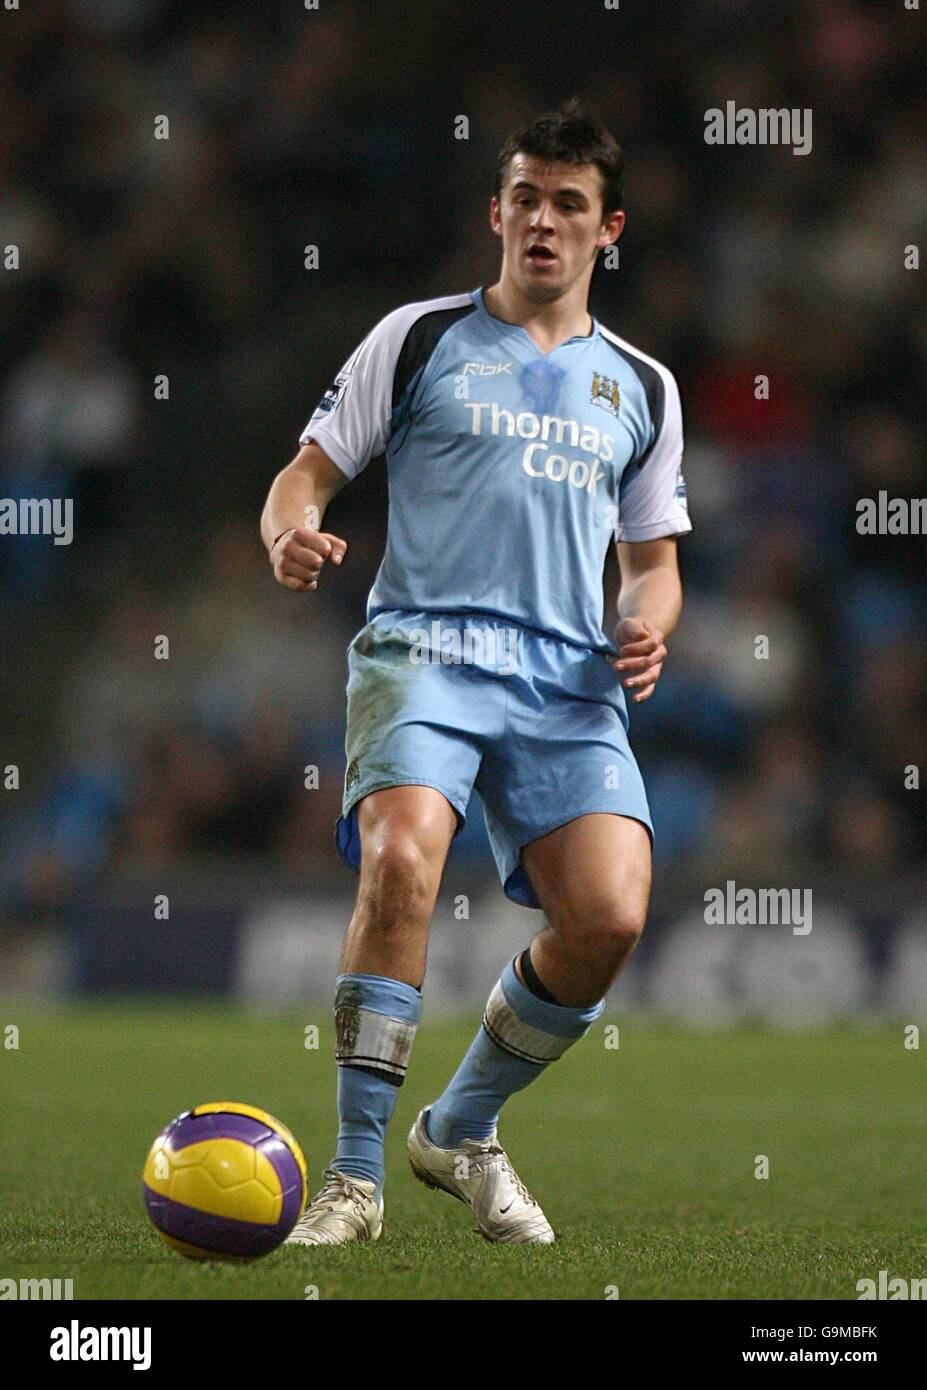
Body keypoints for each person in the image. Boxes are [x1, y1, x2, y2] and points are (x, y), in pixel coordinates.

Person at [259, 98, 691, 1245]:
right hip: (425, 654)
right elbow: (303, 477)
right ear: (495, 212)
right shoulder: (416, 338)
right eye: (528, 200)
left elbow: (654, 564)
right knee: (402, 860)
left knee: (607, 917)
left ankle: (457, 1129)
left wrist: (646, 621)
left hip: (566, 680)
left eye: (571, 205)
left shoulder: (644, 386)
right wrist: (288, 531)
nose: (544, 221)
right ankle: (353, 1183)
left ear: (610, 231)